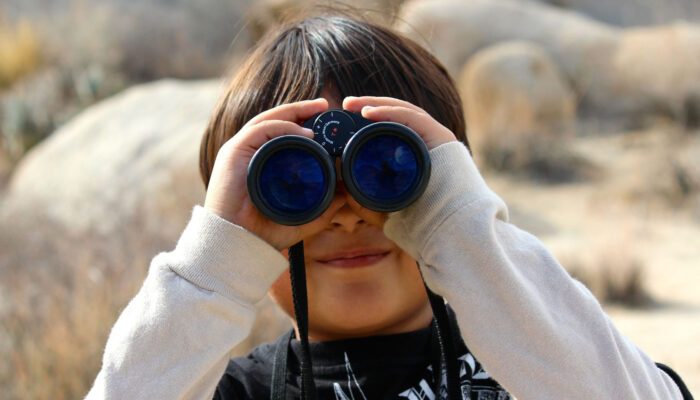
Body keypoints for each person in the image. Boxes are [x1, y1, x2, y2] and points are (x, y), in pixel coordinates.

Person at [85, 12, 693, 400]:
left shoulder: (539, 361)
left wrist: (464, 231)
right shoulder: (224, 391)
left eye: (387, 171)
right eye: (296, 182)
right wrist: (214, 268)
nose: (348, 214)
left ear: (449, 180)